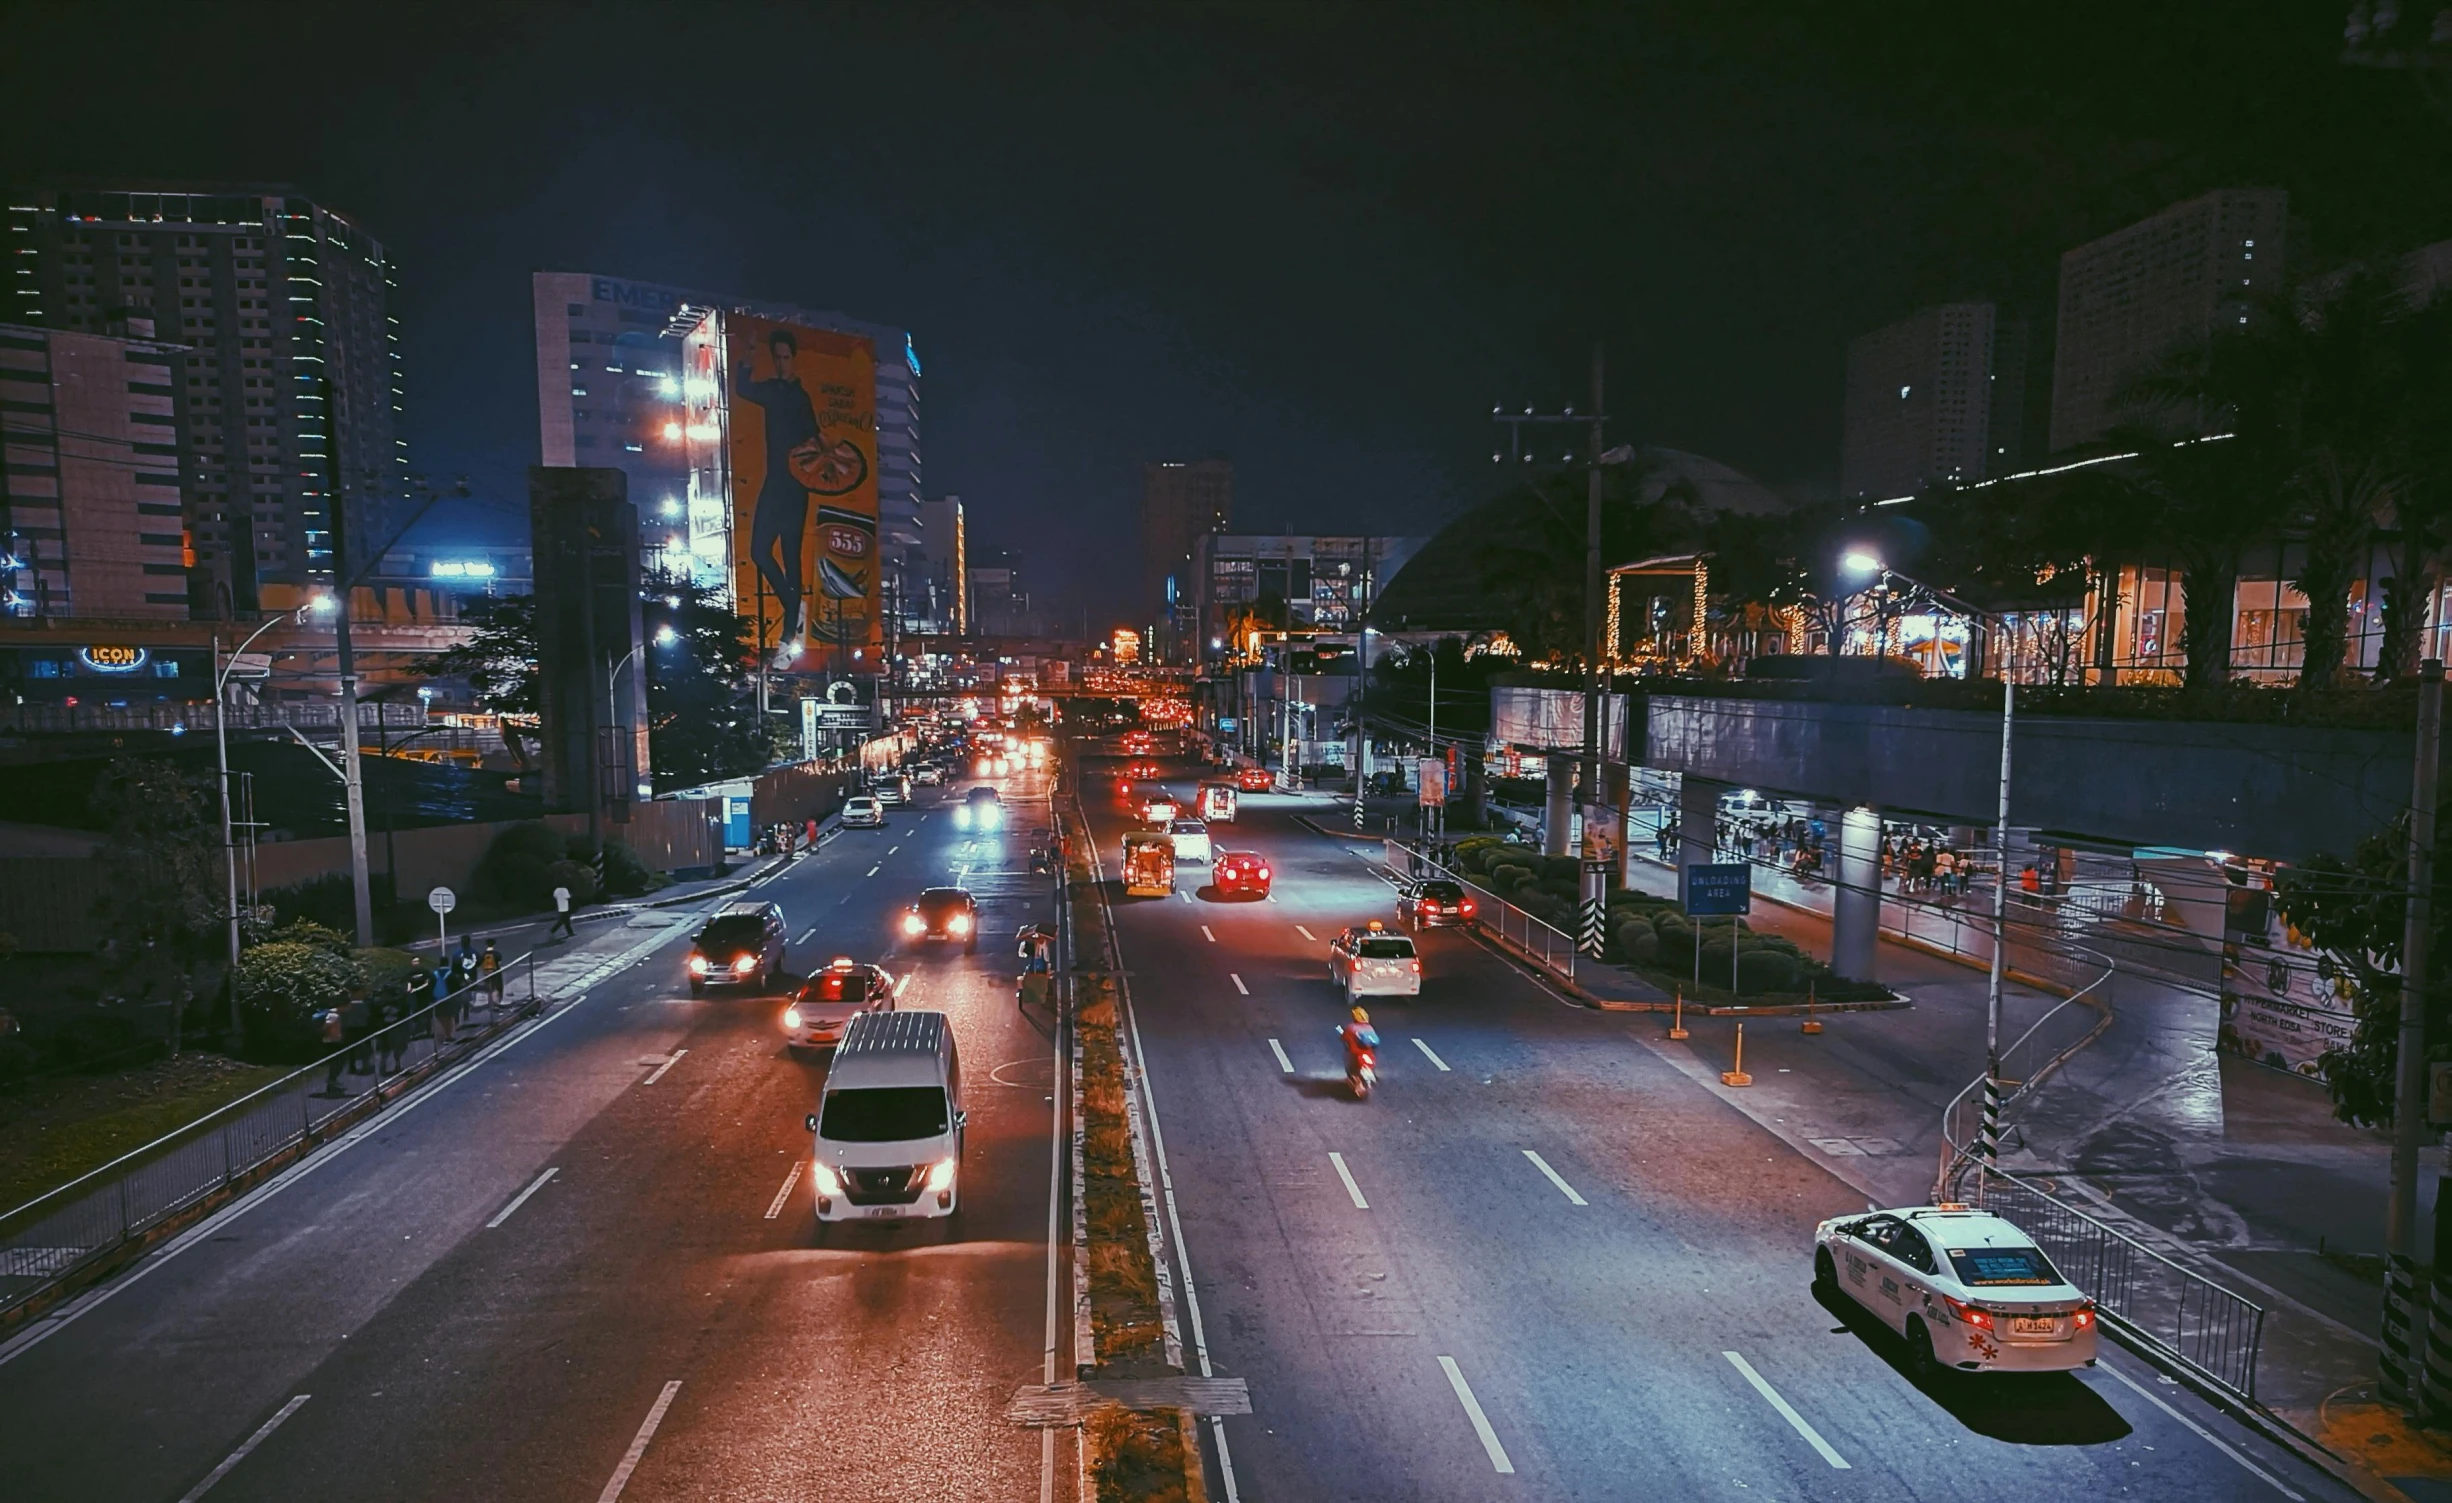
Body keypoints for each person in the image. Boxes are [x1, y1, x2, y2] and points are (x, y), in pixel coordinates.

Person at [734, 325, 829, 659]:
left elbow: (816, 438)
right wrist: (747, 351)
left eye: (787, 357)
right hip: (775, 481)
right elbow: (742, 387)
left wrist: (833, 462)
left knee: (791, 556)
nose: (783, 363)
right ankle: (792, 604)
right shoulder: (772, 391)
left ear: (794, 358)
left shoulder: (801, 397)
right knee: (759, 550)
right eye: (778, 358)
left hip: (797, 484)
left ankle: (789, 635)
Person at [319, 1004, 348, 1096]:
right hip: (332, 1042)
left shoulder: (335, 1015)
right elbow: (325, 1026)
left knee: (337, 1062)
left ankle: (332, 1084)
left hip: (334, 1041)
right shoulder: (333, 1015)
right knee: (337, 1062)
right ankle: (332, 1082)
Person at [480, 939, 503, 1012]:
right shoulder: (497, 954)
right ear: (494, 944)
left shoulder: (483, 954)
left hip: (486, 973)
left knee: (489, 989)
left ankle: (490, 1003)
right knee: (495, 988)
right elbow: (499, 964)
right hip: (495, 972)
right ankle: (495, 1004)